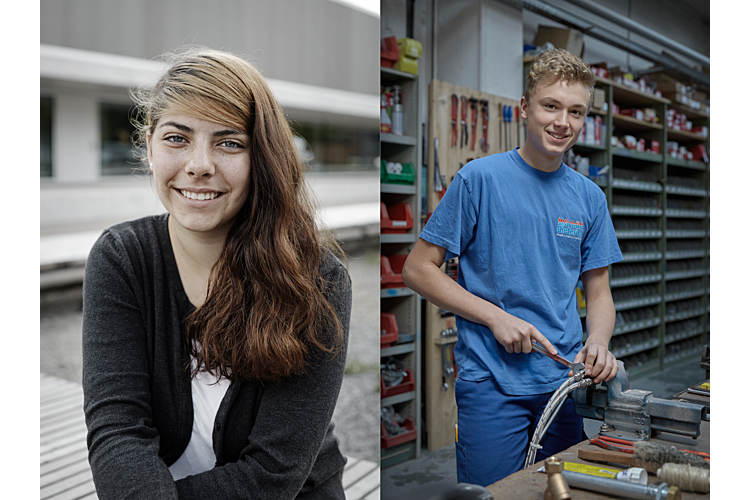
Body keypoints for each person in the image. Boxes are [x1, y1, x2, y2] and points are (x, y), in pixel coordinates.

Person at [82, 47, 352, 499]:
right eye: (176, 138)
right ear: (148, 146)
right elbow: (118, 432)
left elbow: (273, 472)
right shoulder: (121, 259)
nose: (199, 164)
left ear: (261, 157)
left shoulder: (318, 280)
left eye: (229, 142)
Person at [402, 48, 623, 486]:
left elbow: (599, 293)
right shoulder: (478, 180)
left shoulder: (589, 198)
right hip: (491, 382)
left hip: (562, 379)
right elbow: (417, 269)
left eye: (576, 112)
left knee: (558, 490)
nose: (563, 122)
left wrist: (598, 341)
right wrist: (496, 317)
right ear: (525, 108)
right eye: (551, 106)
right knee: (494, 494)